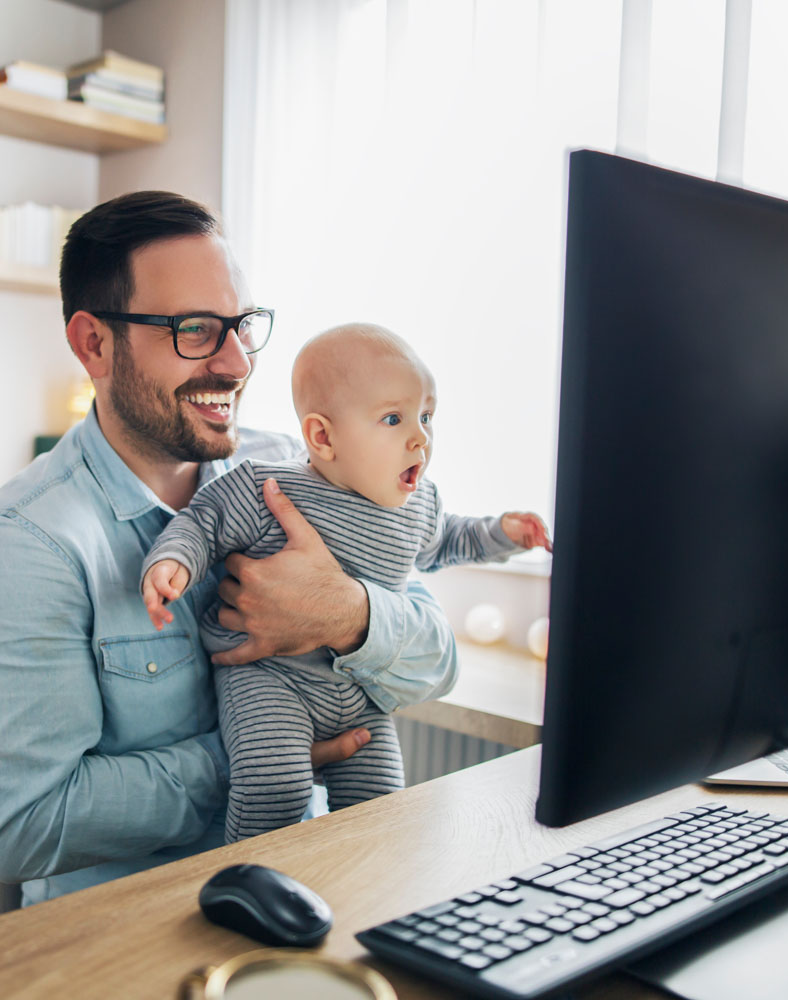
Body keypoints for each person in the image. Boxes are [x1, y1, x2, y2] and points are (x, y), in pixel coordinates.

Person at [0, 192, 459, 906]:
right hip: (121, 939)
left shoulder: (300, 474)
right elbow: (24, 824)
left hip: (306, 898)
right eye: (194, 330)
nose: (237, 363)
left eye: (242, 326)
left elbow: (439, 663)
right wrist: (253, 758)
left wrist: (347, 615)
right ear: (94, 343)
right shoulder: (31, 541)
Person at [141, 323, 553, 842]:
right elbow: (203, 523)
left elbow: (449, 541)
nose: (420, 436)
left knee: (383, 805)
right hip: (272, 680)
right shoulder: (269, 485)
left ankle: (364, 902)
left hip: (361, 689)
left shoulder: (418, 503)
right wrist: (173, 562)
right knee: (277, 785)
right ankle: (249, 883)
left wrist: (503, 534)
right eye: (393, 418)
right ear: (323, 437)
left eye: (427, 417)